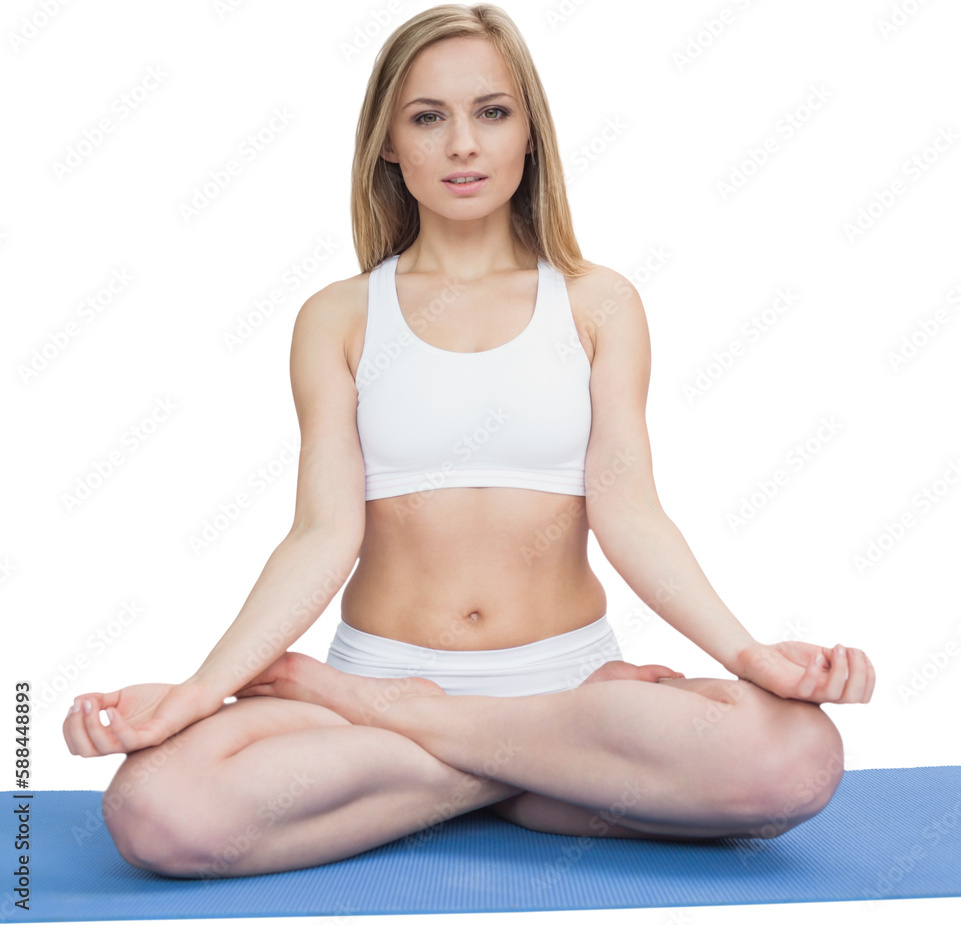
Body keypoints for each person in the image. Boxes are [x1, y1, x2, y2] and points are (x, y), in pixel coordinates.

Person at [63, 3, 875, 880]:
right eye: (427, 117)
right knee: (156, 811)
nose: (462, 144)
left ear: (530, 133)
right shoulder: (336, 317)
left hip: (558, 687)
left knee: (796, 759)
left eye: (492, 112)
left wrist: (748, 655)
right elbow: (320, 534)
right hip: (387, 680)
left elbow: (630, 510)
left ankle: (459, 744)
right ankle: (538, 778)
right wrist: (194, 691)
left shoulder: (599, 303)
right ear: (387, 142)